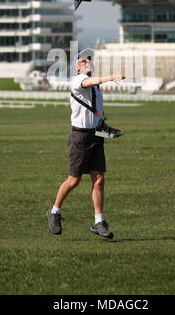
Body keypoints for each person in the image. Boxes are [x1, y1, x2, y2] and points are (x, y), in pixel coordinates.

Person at [46, 53, 125, 239]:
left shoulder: (96, 87)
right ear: (76, 68)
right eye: (83, 61)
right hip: (79, 137)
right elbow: (89, 82)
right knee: (74, 180)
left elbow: (95, 109)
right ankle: (54, 211)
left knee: (99, 179)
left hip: (96, 135)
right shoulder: (77, 81)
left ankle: (98, 221)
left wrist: (104, 126)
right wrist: (111, 77)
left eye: (89, 60)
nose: (87, 62)